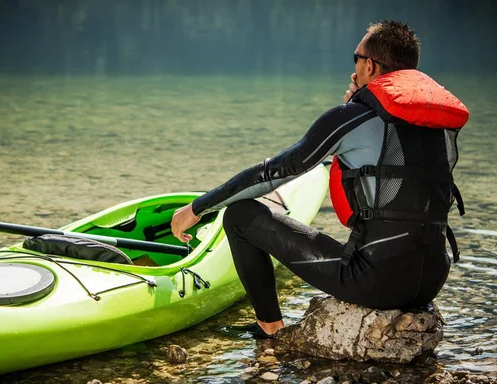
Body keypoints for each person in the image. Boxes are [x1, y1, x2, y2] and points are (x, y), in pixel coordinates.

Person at [171, 20, 469, 338]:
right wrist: (356, 104)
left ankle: (269, 329)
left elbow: (273, 172)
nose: (354, 64)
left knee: (240, 215)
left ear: (369, 64)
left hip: (377, 283)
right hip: (432, 281)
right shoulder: (438, 126)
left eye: (356, 56)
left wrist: (197, 208)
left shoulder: (353, 117)